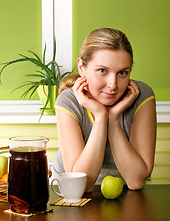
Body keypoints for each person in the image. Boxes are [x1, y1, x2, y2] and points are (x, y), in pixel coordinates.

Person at [52, 28, 156, 192]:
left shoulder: (142, 96)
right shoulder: (68, 101)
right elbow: (82, 185)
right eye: (102, 71)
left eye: (122, 73)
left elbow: (136, 181)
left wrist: (113, 119)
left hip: (124, 194)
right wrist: (101, 117)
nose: (113, 85)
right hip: (67, 194)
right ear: (82, 67)